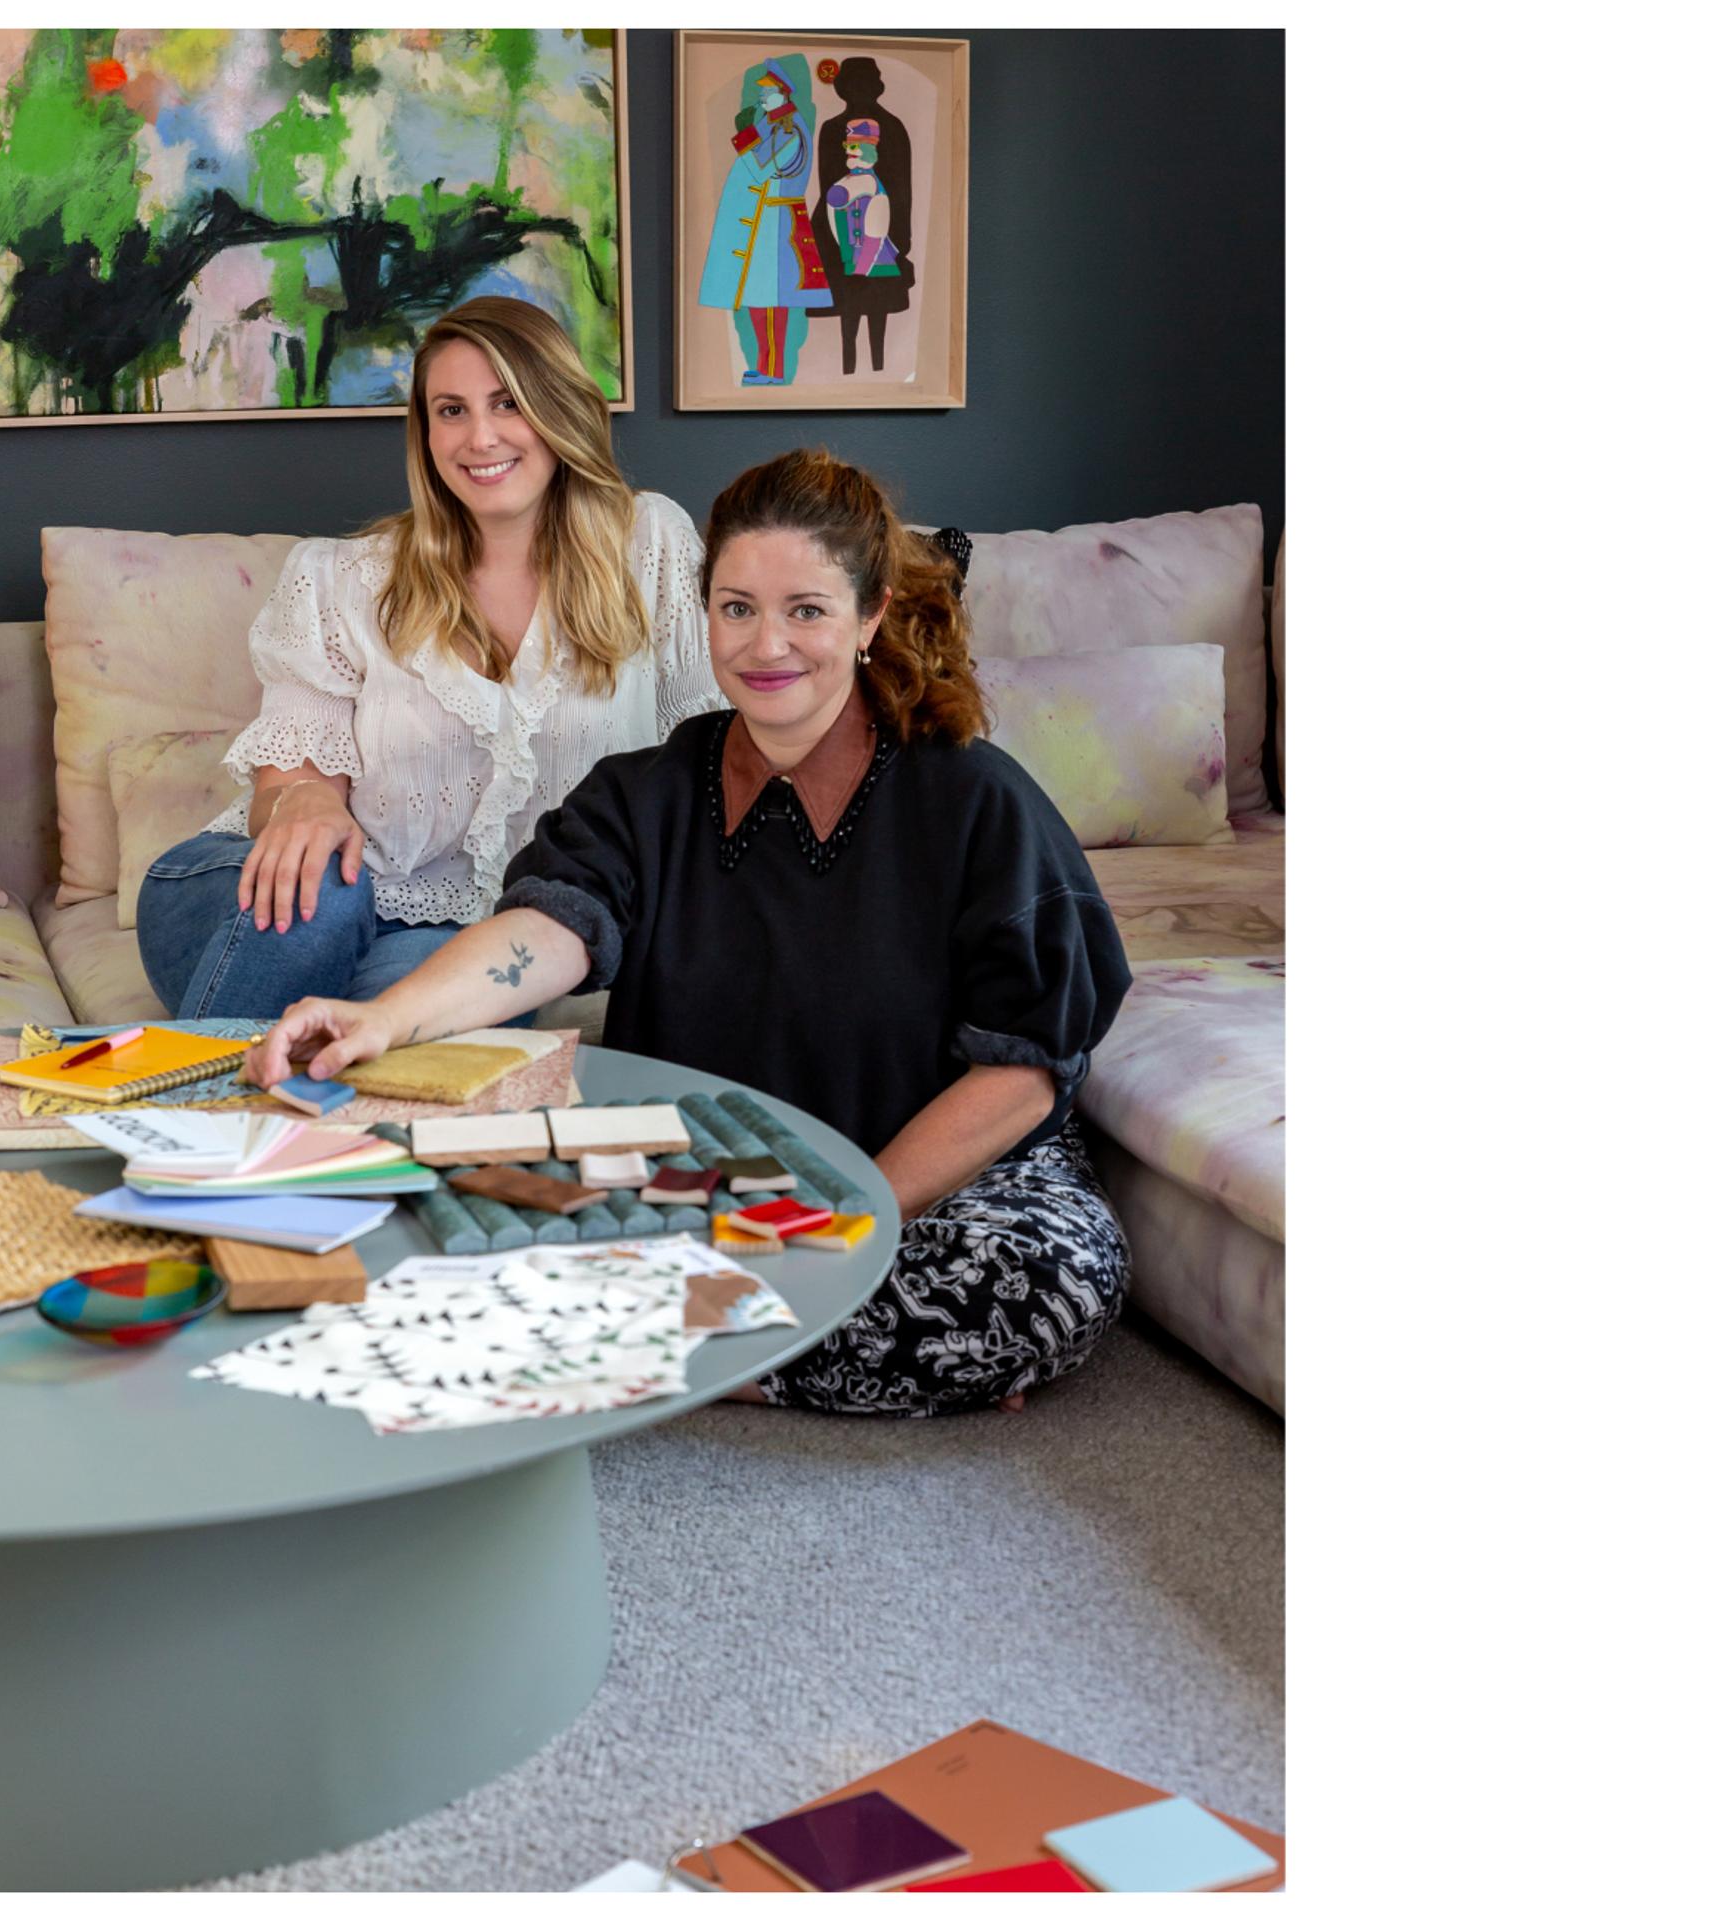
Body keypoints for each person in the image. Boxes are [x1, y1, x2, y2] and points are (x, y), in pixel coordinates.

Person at [246, 449, 1137, 1417]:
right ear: (702, 613)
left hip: (932, 1174)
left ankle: (669, 1352)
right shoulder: (644, 792)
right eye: (737, 607)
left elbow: (1027, 1067)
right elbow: (543, 933)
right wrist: (385, 1019)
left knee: (1042, 1281)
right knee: (439, 1203)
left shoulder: (976, 797)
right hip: (710, 1166)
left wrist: (850, 1220)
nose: (767, 645)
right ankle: (766, 1347)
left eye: (807, 609)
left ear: (870, 615)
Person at [132, 296, 720, 1019]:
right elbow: (290, 780)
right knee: (328, 890)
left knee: (461, 1006)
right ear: (425, 431)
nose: (479, 437)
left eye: (508, 403)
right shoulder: (343, 581)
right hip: (254, 890)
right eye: (450, 410)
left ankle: (211, 1094)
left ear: (559, 407)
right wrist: (305, 799)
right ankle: (200, 1120)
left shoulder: (649, 548)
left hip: (475, 927)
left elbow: (709, 756)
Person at [697, 57, 833, 386]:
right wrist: (750, 130)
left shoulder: (790, 127)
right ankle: (764, 366)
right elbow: (747, 155)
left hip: (777, 223)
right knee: (758, 299)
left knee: (773, 300)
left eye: (767, 92)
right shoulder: (771, 122)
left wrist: (747, 132)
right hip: (764, 221)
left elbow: (758, 165)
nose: (762, 97)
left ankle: (773, 370)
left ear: (783, 94)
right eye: (762, 92)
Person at [813, 57, 917, 376]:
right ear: (843, 89)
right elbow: (828, 184)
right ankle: (849, 367)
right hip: (840, 230)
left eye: (865, 84)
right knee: (849, 308)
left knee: (878, 306)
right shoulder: (832, 130)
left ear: (876, 87)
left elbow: (902, 188)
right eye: (853, 84)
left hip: (884, 228)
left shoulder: (894, 128)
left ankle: (878, 368)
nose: (859, 91)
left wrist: (901, 239)